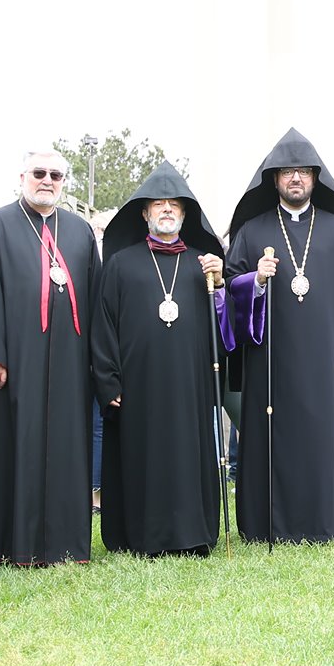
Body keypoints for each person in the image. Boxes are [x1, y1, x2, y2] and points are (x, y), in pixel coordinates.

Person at [221, 129, 334, 544]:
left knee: (325, 435)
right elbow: (229, 287)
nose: (296, 178)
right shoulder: (252, 231)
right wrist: (255, 281)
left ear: (316, 178)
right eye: (287, 172)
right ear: (274, 179)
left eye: (303, 171)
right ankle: (270, 523)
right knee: (275, 436)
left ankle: (329, 519)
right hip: (272, 357)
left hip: (327, 357)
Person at [0, 148, 99, 565]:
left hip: (69, 364)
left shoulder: (79, 231)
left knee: (66, 448)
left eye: (56, 175)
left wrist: (97, 361)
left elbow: (94, 299)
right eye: (39, 173)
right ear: (22, 177)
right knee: (11, 446)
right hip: (15, 361)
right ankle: (5, 543)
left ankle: (64, 543)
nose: (47, 181)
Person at [92, 163, 228, 557]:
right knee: (142, 459)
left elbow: (224, 330)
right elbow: (103, 326)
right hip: (137, 386)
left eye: (174, 204)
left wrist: (220, 286)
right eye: (158, 204)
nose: (166, 209)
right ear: (144, 213)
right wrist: (108, 380)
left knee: (188, 457)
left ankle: (193, 534)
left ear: (185, 214)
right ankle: (142, 536)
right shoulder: (120, 263)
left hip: (190, 384)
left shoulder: (204, 265)